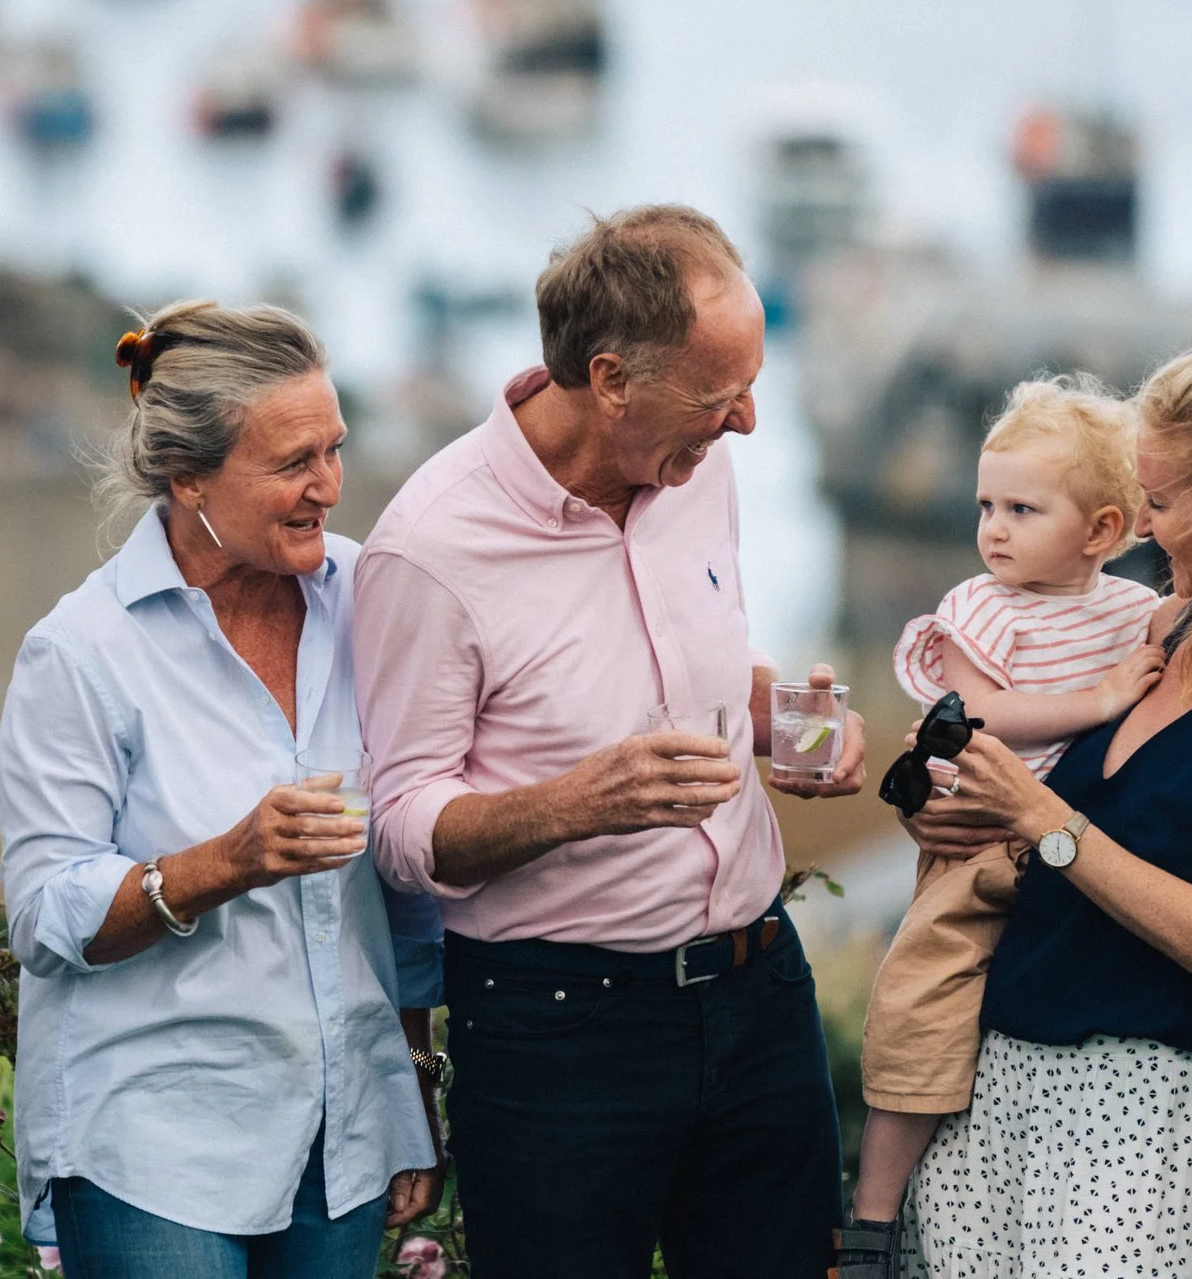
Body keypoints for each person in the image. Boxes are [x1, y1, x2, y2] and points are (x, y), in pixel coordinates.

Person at [353, 204, 868, 1279]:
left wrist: (800, 731)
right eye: (719, 396)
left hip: (757, 991)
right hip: (555, 1034)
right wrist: (578, 801)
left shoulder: (693, 467)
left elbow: (704, 677)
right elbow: (398, 826)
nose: (746, 426)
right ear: (611, 375)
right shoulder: (430, 548)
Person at [900, 336, 1192, 1276]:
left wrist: (1042, 820)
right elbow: (1052, 819)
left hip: (1143, 1109)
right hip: (988, 1083)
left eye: (1160, 501)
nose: (1143, 530)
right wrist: (956, 813)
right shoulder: (1162, 628)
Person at [0, 302, 444, 1278]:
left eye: (334, 448)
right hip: (155, 1144)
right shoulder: (81, 652)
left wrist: (409, 1080)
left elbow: (404, 886)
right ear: (187, 474)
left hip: (345, 1131)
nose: (329, 485)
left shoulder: (373, 601)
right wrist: (227, 861)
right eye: (292, 462)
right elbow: (42, 912)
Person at [839, 376, 1164, 1267]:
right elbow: (977, 711)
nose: (994, 528)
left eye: (1023, 507)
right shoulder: (980, 607)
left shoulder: (1141, 612)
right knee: (921, 1005)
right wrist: (1097, 698)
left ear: (1104, 529)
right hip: (978, 842)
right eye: (988, 504)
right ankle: (871, 1217)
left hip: (1073, 845)